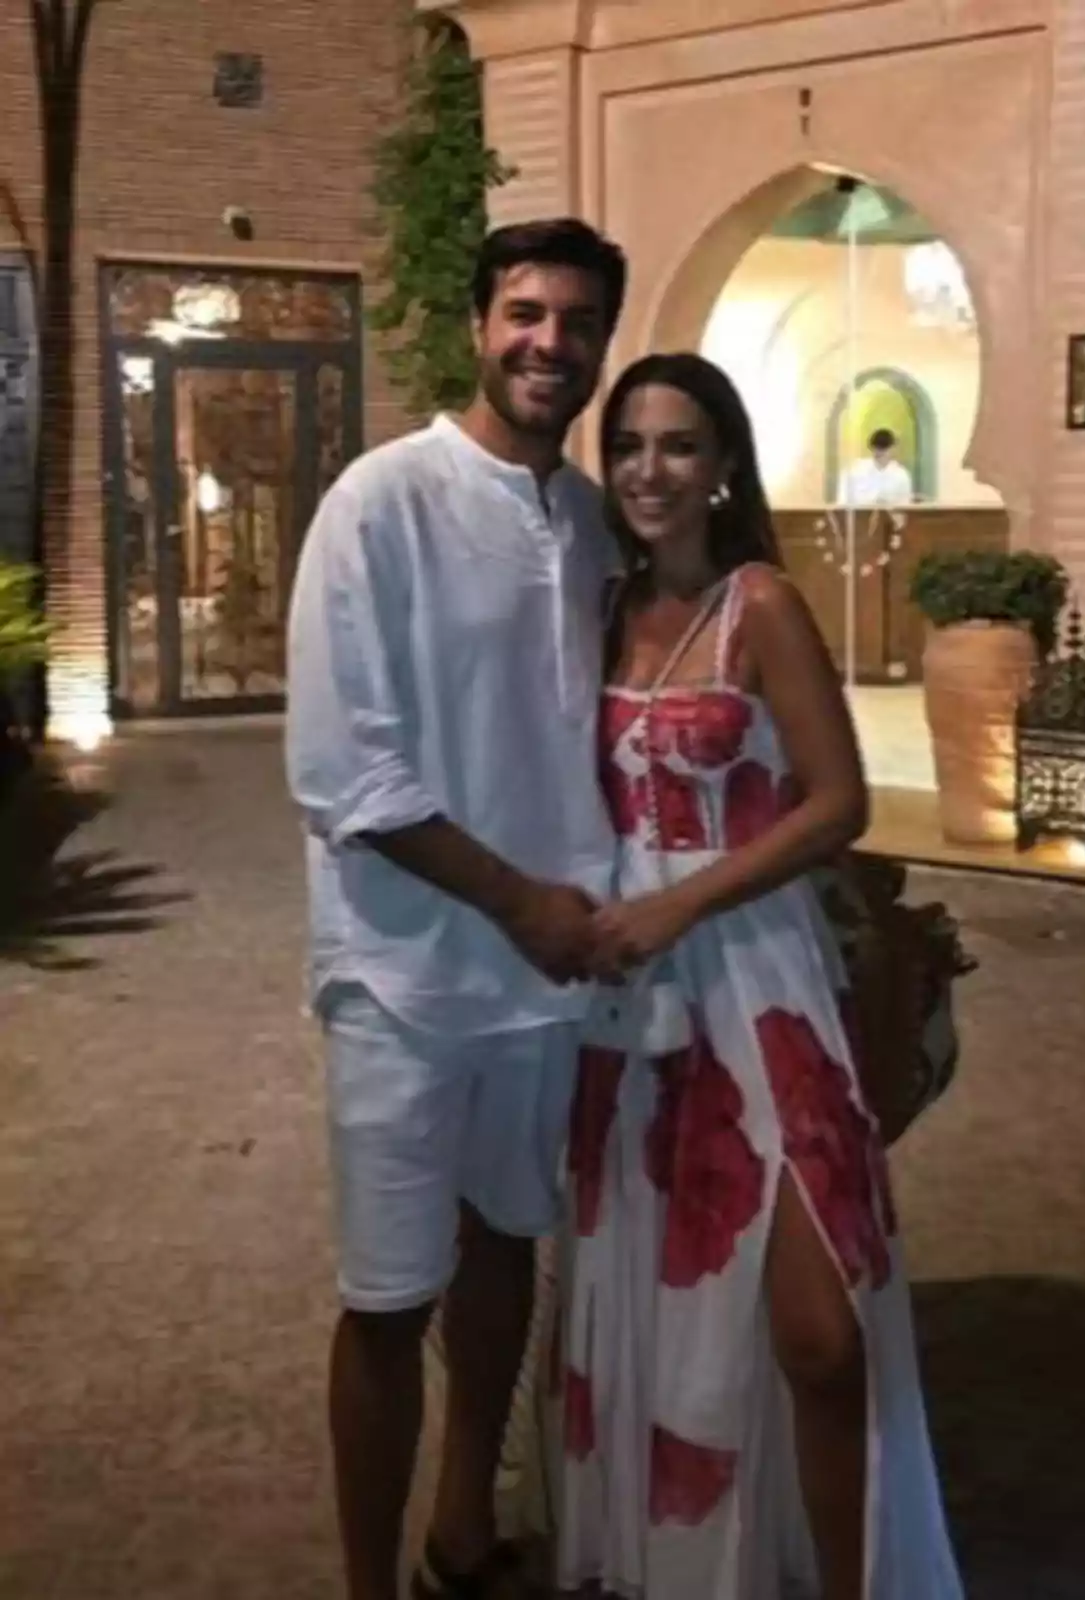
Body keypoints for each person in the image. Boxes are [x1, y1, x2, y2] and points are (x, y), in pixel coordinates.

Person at [550, 353, 964, 1599]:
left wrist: (683, 897)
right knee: (668, 1317)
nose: (649, 469)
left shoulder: (761, 605)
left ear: (724, 463)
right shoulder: (605, 606)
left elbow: (839, 802)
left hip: (762, 986)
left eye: (679, 444)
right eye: (627, 444)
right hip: (631, 1006)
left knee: (820, 1329)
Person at [284, 216, 628, 1600]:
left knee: (506, 1254)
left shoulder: (592, 516)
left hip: (545, 982)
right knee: (387, 1297)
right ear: (481, 324)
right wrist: (518, 902)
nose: (553, 343)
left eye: (581, 322)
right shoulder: (383, 498)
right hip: (407, 975)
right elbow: (341, 765)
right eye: (528, 314)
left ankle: (460, 1530)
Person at [836, 425, 914, 509]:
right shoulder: (854, 469)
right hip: (859, 518)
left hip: (889, 520)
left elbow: (905, 506)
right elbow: (842, 501)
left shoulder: (901, 475)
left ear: (893, 448)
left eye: (884, 449)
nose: (879, 453)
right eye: (876, 448)